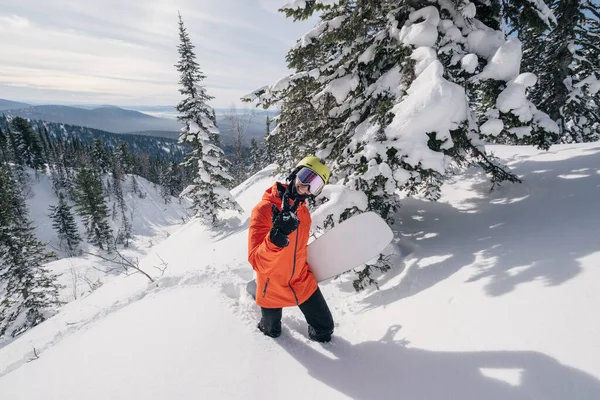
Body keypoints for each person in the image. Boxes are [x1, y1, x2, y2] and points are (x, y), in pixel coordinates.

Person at [247, 156, 334, 342]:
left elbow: (298, 250)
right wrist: (275, 238)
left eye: (315, 184)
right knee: (271, 332)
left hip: (300, 280)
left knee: (325, 330)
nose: (306, 187)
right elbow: (255, 260)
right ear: (295, 173)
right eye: (305, 176)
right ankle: (255, 291)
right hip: (272, 283)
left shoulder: (304, 213)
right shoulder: (263, 210)